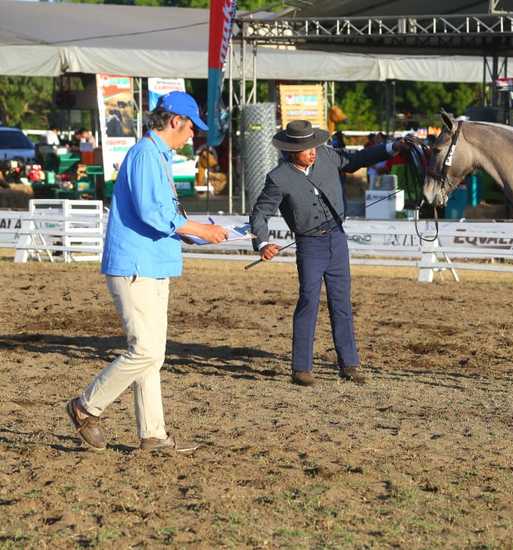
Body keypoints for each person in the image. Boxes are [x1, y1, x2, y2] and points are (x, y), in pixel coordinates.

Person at [66, 91, 228, 452]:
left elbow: (165, 215)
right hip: (136, 265)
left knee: (152, 353)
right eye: (191, 128)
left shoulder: (156, 156)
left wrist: (204, 234)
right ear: (175, 121)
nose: (193, 136)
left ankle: (152, 433)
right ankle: (85, 406)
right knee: (145, 351)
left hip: (152, 264)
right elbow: (153, 213)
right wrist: (200, 230)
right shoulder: (145, 156)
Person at [250, 120, 407, 387]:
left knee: (341, 302)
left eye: (314, 146)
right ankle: (301, 368)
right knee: (308, 301)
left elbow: (357, 159)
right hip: (309, 245)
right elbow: (260, 214)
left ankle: (349, 364)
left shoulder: (327, 155)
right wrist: (263, 244)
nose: (313, 151)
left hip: (337, 240)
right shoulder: (278, 178)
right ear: (291, 151)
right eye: (306, 148)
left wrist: (391, 147)